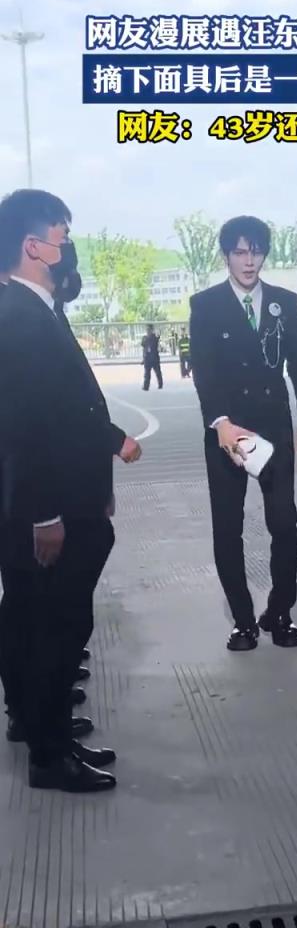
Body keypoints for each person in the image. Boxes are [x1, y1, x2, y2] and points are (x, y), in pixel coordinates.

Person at [0, 189, 142, 792]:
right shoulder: (19, 317)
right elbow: (24, 427)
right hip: (50, 507)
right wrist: (45, 515)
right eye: (61, 237)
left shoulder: (33, 310)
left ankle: (46, 725)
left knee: (47, 622)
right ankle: (50, 754)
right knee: (55, 626)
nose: (67, 248)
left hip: (67, 495)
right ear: (34, 247)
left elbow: (70, 408)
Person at [189, 215, 297, 653]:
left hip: (273, 426)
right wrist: (221, 422)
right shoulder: (205, 305)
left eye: (256, 251)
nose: (249, 261)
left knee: (284, 522)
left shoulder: (285, 302)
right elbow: (204, 371)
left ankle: (280, 612)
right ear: (226, 255)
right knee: (228, 528)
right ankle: (243, 621)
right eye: (240, 252)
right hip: (228, 430)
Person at [142, 324, 163, 390]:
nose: (148, 331)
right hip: (147, 358)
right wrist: (143, 358)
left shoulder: (154, 337)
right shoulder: (144, 338)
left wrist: (157, 332)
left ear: (152, 330)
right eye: (147, 329)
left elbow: (158, 336)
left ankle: (160, 384)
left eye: (149, 329)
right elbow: (144, 348)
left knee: (158, 372)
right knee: (147, 374)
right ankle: (146, 386)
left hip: (154, 357)